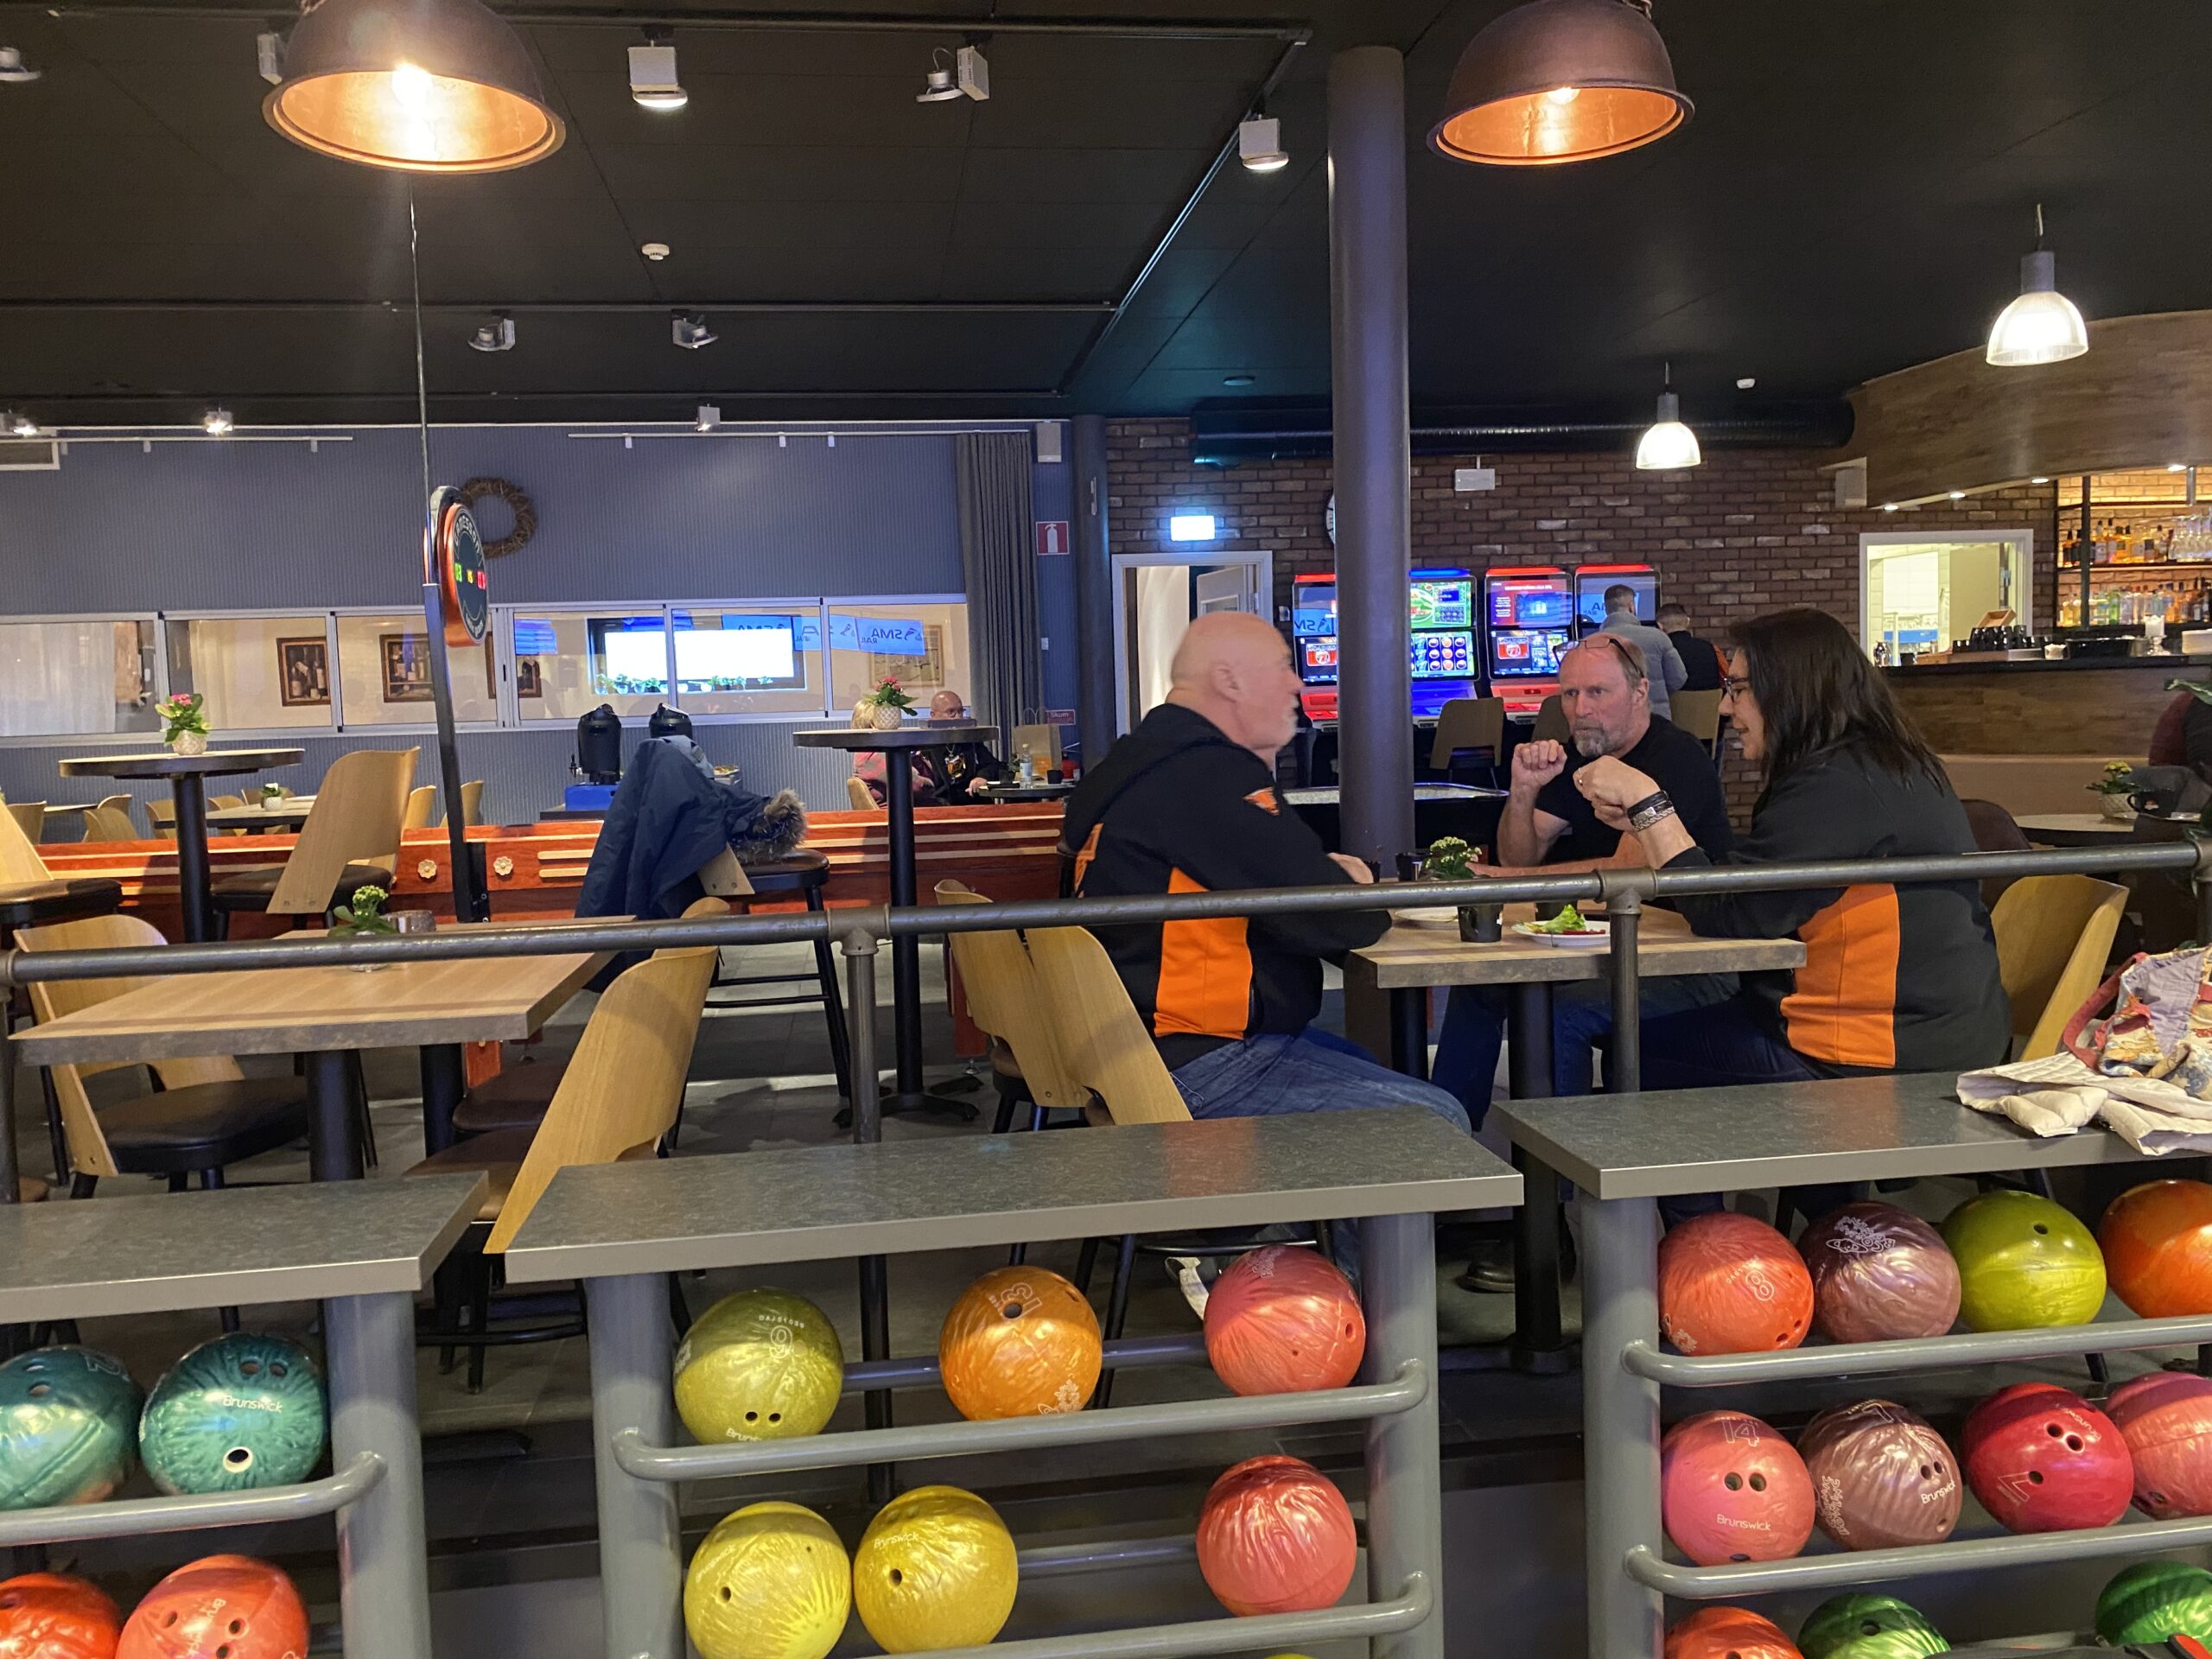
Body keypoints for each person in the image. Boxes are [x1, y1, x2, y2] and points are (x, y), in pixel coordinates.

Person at [1573, 607, 2009, 1098]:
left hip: (1880, 1050)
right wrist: (1647, 821)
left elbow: (1729, 913)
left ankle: (1564, 1148)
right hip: (1935, 1031)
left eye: (1738, 688)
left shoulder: (1840, 785)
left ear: (1790, 690)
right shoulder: (1875, 765)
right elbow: (1755, 892)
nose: (1725, 707)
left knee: (1620, 1044)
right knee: (1625, 1029)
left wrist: (1648, 803)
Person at [1060, 611, 1470, 1133]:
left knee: (1364, 1063)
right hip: (1194, 1060)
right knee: (1437, 1121)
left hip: (1126, 1047)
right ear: (1229, 680)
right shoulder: (1208, 774)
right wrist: (1354, 886)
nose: (1298, 682)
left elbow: (1271, 884)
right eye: (1281, 665)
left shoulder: (1129, 766)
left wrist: (1323, 877)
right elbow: (1341, 920)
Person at [1431, 631, 1737, 1122]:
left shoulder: (1675, 758)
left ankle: (1563, 1161)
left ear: (1639, 693)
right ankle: (1447, 1136)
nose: (1580, 709)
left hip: (1687, 959)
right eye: (1570, 693)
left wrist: (1499, 878)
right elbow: (1523, 855)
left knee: (1558, 1010)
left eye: (1597, 692)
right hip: (1604, 944)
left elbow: (1628, 872)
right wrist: (1523, 790)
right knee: (1480, 983)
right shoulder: (1582, 755)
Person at [852, 689, 1003, 805]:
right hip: (940, 807)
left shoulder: (969, 738)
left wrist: (982, 777)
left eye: (960, 711)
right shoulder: (922, 743)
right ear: (933, 715)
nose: (958, 717)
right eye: (951, 713)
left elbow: (994, 765)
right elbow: (919, 787)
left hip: (973, 802)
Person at [1594, 583, 1688, 721]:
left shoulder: (1592, 643)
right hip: (1656, 719)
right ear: (1632, 606)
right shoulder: (1658, 637)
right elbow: (1678, 678)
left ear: (1606, 609)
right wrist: (1657, 691)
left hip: (1613, 721)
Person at [1657, 602, 1728, 693]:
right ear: (1688, 622)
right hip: (1712, 701)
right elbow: (1726, 676)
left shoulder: (1662, 651)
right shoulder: (1711, 648)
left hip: (1676, 702)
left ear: (1660, 626)